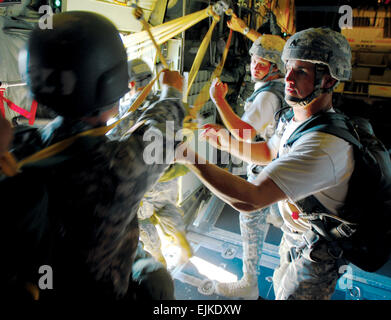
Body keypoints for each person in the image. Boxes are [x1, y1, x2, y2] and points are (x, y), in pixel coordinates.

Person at [0, 11, 185, 301]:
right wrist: (173, 91)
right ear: (111, 84)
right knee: (156, 281)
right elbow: (165, 130)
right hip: (100, 290)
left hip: (44, 285)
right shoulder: (117, 168)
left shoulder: (22, 146)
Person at [177, 27, 354, 300]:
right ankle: (251, 284)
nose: (288, 78)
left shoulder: (323, 146)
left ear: (328, 81)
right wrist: (225, 143)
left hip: (317, 251)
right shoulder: (297, 120)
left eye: (301, 72)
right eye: (288, 68)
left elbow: (251, 199)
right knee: (282, 283)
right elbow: (269, 151)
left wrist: (188, 156)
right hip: (295, 235)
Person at [201, 15, 286, 299]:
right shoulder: (281, 87)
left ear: (274, 68)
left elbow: (244, 134)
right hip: (277, 171)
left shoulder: (266, 97)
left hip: (264, 173)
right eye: (253, 61)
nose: (254, 67)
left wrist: (219, 101)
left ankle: (249, 283)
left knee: (250, 220)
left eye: (261, 64)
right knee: (280, 218)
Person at [108, 58, 192, 268]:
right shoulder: (163, 101)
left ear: (131, 84)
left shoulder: (128, 108)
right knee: (166, 207)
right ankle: (180, 237)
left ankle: (157, 256)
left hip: (145, 180)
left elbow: (114, 139)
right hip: (168, 175)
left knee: (141, 221)